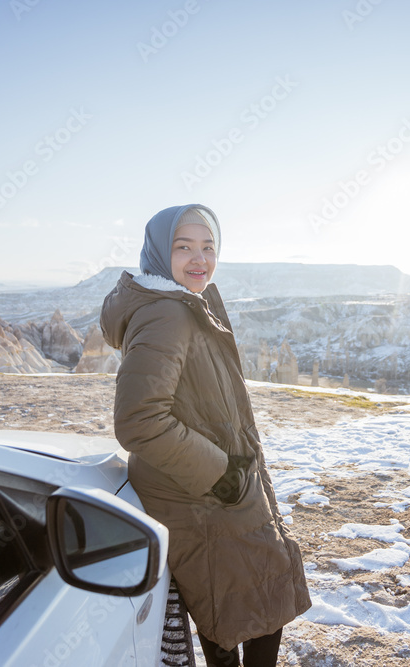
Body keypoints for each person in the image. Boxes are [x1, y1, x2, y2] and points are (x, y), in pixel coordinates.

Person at [100, 204, 311, 667]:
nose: (199, 259)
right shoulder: (167, 315)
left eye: (208, 247)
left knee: (239, 612)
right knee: (249, 614)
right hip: (203, 496)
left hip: (213, 491)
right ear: (159, 252)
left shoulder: (181, 302)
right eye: (183, 247)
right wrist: (223, 474)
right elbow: (138, 420)